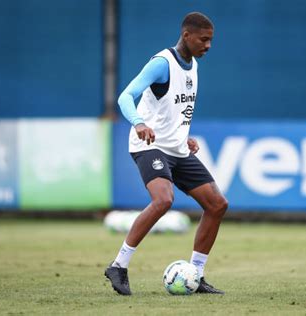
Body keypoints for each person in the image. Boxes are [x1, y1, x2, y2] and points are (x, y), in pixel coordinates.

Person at [104, 12, 228, 296]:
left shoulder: (193, 65)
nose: (208, 45)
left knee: (218, 205)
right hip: (149, 145)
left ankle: (195, 275)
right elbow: (125, 96)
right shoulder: (162, 63)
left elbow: (175, 109)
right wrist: (139, 123)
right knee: (163, 200)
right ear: (186, 35)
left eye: (211, 40)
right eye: (204, 39)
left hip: (178, 148)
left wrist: (185, 136)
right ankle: (118, 266)